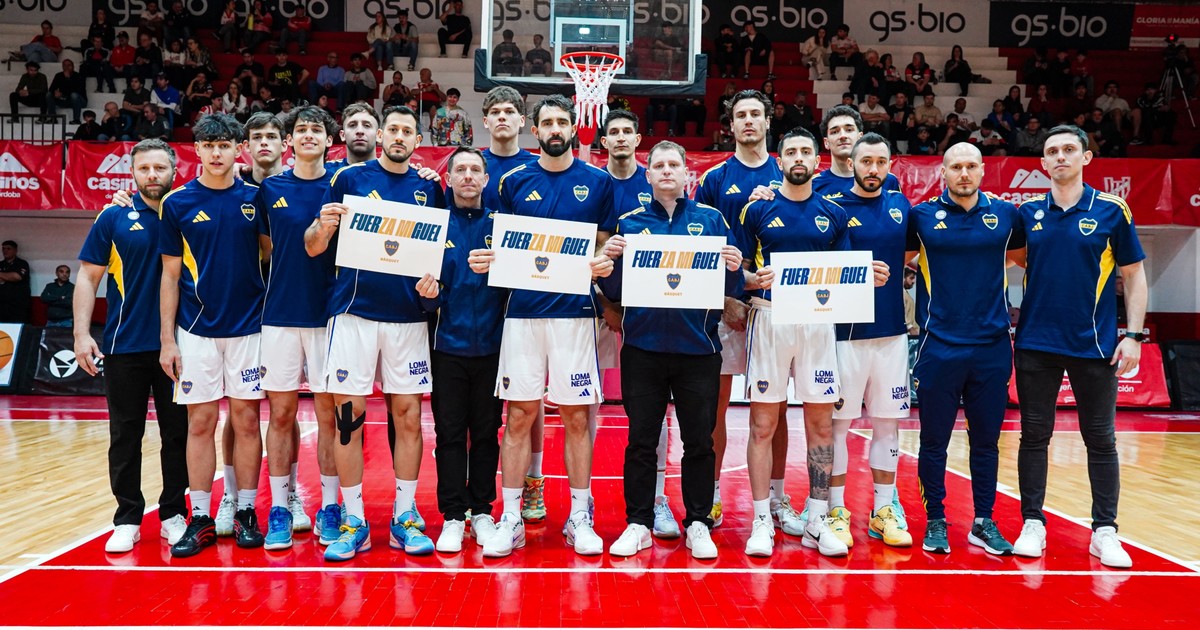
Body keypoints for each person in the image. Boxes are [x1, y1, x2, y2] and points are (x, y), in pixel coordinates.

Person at [467, 94, 616, 557]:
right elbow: (499, 239)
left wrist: (601, 261)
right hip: (523, 314)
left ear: (573, 129)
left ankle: (579, 515)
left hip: (574, 315)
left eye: (561, 122)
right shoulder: (513, 181)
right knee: (518, 416)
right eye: (547, 123)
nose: (554, 129)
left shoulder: (598, 181)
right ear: (535, 130)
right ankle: (511, 516)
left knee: (577, 417)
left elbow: (604, 241)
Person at [304, 105, 444, 561]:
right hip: (353, 315)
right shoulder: (348, 178)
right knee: (349, 420)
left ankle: (405, 516)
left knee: (409, 418)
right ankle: (354, 520)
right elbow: (313, 246)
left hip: (407, 318)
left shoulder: (430, 187)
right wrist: (324, 224)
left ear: (417, 140)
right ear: (381, 135)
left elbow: (438, 256)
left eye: (408, 131)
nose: (399, 136)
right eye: (393, 129)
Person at [597, 140, 743, 559]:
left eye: (673, 164)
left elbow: (729, 288)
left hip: (698, 349)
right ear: (648, 176)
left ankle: (698, 522)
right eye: (658, 165)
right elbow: (616, 290)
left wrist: (735, 269)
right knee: (641, 441)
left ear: (685, 173)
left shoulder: (711, 220)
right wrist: (608, 265)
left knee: (699, 441)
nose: (665, 171)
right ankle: (638, 523)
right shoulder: (630, 223)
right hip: (642, 349)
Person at [1009, 124, 1146, 569]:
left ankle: (1105, 531)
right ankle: (1033, 523)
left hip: (1095, 345)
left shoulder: (1111, 210)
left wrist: (1134, 335)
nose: (1061, 157)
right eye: (1053, 152)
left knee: (1101, 440)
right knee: (1034, 436)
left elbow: (1134, 275)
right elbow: (1015, 259)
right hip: (1035, 344)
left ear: (1086, 157)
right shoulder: (1028, 213)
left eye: (1069, 149)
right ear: (1042, 163)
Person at [739, 127, 856, 558]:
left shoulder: (834, 213)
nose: (799, 157)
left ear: (817, 159)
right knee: (762, 425)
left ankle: (817, 520)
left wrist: (870, 277)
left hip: (818, 323)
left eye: (807, 151)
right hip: (769, 319)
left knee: (821, 426)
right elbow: (736, 269)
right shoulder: (757, 210)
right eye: (792, 152)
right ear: (781, 160)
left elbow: (846, 274)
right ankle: (761, 519)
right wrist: (751, 281)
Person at [905, 142, 1024, 556]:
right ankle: (935, 519)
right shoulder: (921, 217)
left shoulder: (1006, 215)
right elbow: (897, 261)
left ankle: (983, 521)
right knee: (933, 440)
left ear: (982, 170)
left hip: (992, 347)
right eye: (956, 167)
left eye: (971, 166)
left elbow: (1023, 260)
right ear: (943, 172)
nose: (964, 173)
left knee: (987, 442)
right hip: (939, 345)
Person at [159, 114, 269, 557]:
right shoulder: (177, 203)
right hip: (196, 330)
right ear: (197, 150)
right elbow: (170, 276)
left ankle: (245, 511)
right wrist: (168, 340)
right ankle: (201, 517)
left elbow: (272, 257)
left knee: (246, 422)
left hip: (250, 328)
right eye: (209, 145)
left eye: (225, 144)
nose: (217, 152)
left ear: (238, 149)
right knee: (200, 423)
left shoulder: (256, 198)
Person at [74, 139, 190, 554]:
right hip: (124, 346)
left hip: (180, 345)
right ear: (133, 172)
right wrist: (81, 334)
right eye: (144, 169)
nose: (152, 175)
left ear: (175, 170)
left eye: (159, 168)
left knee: (178, 435)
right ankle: (127, 518)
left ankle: (174, 513)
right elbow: (88, 277)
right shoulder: (113, 216)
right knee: (125, 435)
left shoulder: (187, 211)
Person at [692, 90, 783, 530]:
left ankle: (778, 499)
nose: (748, 121)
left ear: (767, 121)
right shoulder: (715, 178)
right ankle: (710, 496)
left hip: (775, 308)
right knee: (716, 407)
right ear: (730, 126)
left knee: (774, 409)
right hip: (726, 308)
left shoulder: (788, 171)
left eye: (755, 114)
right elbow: (701, 241)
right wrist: (724, 297)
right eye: (740, 115)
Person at [253, 106, 339, 551]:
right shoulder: (270, 189)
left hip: (329, 316)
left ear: (329, 140)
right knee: (281, 415)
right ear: (289, 141)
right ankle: (281, 508)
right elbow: (264, 249)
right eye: (301, 129)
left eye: (316, 130)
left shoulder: (343, 183)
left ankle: (330, 507)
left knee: (328, 418)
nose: (308, 135)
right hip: (280, 316)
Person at [823, 133, 913, 548]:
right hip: (844, 336)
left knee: (887, 425)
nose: (873, 169)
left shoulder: (901, 206)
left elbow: (912, 253)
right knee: (837, 427)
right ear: (852, 164)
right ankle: (835, 509)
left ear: (889, 165)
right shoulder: (833, 208)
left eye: (880, 162)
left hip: (892, 334)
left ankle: (883, 509)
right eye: (866, 162)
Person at [599, 110, 685, 537]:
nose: (620, 138)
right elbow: (596, 248)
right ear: (604, 141)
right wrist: (605, 303)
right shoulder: (595, 183)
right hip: (599, 303)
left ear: (638, 140)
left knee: (656, 415)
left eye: (627, 132)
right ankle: (581, 502)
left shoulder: (655, 185)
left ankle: (657, 499)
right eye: (612, 132)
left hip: (657, 316)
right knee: (584, 406)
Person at [425, 147, 506, 553]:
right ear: (449, 178)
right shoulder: (434, 227)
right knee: (450, 434)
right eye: (461, 170)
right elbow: (424, 290)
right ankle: (454, 515)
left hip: (493, 348)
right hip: (448, 348)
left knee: (487, 433)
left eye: (476, 170)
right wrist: (427, 295)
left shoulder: (503, 227)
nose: (469, 176)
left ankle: (483, 511)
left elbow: (516, 284)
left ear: (486, 179)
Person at [813, 105, 902, 196]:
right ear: (826, 142)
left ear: (860, 137)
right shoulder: (813, 185)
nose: (843, 136)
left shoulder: (887, 180)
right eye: (835, 132)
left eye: (849, 130)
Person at [0, 241, 31, 323]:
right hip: (2, 304)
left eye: (8, 248)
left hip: (18, 304)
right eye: (3, 249)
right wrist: (8, 276)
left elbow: (17, 277)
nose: (5, 251)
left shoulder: (22, 263)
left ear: (15, 250)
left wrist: (3, 276)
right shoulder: (1, 264)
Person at [47, 59, 86, 124]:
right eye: (64, 65)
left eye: (69, 65)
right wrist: (55, 93)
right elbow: (51, 89)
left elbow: (78, 91)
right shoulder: (58, 75)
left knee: (74, 95)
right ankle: (53, 118)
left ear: (73, 66)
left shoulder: (78, 76)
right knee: (48, 94)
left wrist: (68, 79)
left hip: (79, 101)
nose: (66, 67)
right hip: (64, 100)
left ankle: (76, 120)